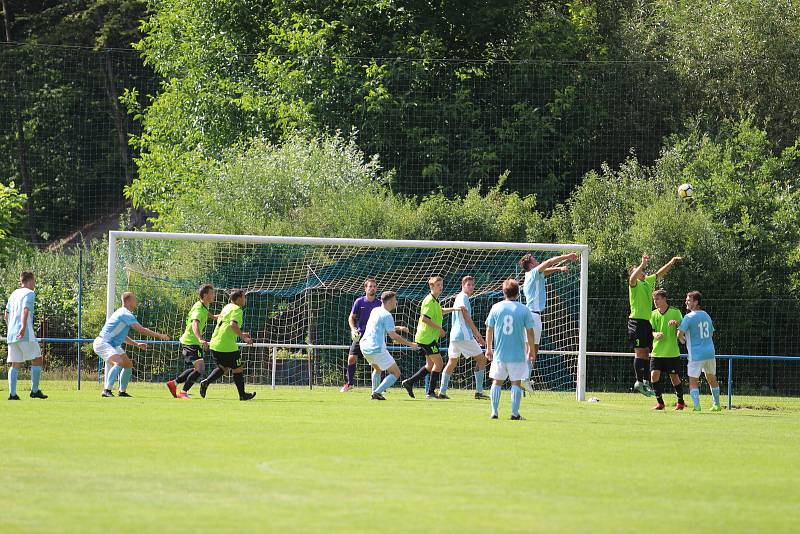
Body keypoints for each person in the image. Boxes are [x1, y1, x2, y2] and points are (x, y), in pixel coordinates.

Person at [519, 252, 579, 393]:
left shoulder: (532, 275)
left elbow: (546, 271)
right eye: (534, 260)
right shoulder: (533, 273)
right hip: (533, 316)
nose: (537, 261)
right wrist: (567, 256)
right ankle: (524, 378)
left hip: (529, 315)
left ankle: (523, 377)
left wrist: (559, 269)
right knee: (533, 350)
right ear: (531, 265)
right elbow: (549, 261)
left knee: (529, 350)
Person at [93, 292, 170, 398]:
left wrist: (136, 344)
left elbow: (123, 337)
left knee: (128, 365)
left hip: (112, 344)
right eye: (134, 300)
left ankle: (122, 392)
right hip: (103, 343)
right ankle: (106, 390)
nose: (136, 302)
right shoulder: (125, 314)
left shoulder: (122, 313)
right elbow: (141, 330)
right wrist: (160, 336)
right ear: (128, 301)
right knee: (118, 362)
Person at [627, 254, 682, 396]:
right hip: (636, 322)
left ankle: (645, 382)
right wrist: (642, 264)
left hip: (646, 322)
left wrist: (671, 262)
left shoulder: (648, 282)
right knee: (639, 352)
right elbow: (633, 277)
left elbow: (660, 273)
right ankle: (638, 382)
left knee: (646, 352)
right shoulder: (634, 284)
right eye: (639, 271)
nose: (642, 272)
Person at [401, 276, 461, 399]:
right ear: (431, 287)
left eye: (441, 285)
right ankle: (430, 393)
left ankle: (409, 382)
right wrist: (439, 328)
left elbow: (440, 311)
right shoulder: (429, 300)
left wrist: (454, 309)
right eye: (438, 285)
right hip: (426, 338)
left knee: (430, 365)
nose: (440, 287)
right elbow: (424, 318)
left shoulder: (435, 301)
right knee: (439, 363)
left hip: (428, 338)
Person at [485, 278, 536, 420]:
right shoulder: (524, 309)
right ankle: (514, 413)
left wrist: (489, 348)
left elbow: (489, 329)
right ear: (518, 293)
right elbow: (530, 332)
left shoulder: (496, 307)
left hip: (500, 354)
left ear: (504, 292)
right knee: (516, 383)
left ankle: (494, 412)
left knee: (497, 382)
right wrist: (531, 349)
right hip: (517, 354)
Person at [199, 289, 256, 401]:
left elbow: (226, 325)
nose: (245, 299)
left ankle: (206, 382)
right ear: (238, 298)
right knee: (237, 368)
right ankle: (242, 395)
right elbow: (233, 325)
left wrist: (240, 333)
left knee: (223, 367)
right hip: (226, 345)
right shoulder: (237, 309)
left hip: (215, 342)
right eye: (244, 297)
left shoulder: (227, 307)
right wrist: (244, 337)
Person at [359, 291, 417, 400]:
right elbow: (393, 336)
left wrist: (399, 328)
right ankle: (377, 392)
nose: (396, 302)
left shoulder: (375, 310)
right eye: (395, 300)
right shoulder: (387, 315)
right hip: (376, 348)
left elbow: (380, 326)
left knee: (377, 369)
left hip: (364, 346)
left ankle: (375, 393)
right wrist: (411, 344)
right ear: (390, 301)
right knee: (396, 373)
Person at [166, 283, 217, 399]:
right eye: (211, 293)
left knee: (196, 368)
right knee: (200, 368)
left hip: (192, 342)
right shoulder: (199, 308)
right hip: (191, 341)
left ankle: (173, 383)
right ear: (205, 295)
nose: (214, 295)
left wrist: (216, 317)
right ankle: (183, 392)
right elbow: (195, 323)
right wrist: (200, 338)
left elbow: (208, 314)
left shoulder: (202, 306)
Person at [440, 276, 487, 399]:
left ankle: (442, 392)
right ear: (463, 285)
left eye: (472, 285)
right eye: (469, 285)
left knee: (452, 362)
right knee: (482, 359)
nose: (471, 287)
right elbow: (465, 315)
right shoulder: (463, 297)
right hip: (464, 335)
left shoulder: (459, 297)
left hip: (455, 336)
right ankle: (479, 392)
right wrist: (478, 335)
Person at [5, 271, 46, 400]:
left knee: (15, 363)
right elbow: (26, 310)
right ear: (30, 280)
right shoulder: (29, 293)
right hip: (25, 333)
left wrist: (10, 327)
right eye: (34, 281)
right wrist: (22, 327)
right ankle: (34, 391)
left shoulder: (13, 294)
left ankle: (12, 394)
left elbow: (6, 314)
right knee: (37, 359)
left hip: (11, 334)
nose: (34, 284)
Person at [678, 291, 721, 412]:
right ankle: (717, 405)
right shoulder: (706, 315)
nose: (686, 301)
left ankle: (697, 406)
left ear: (696, 302)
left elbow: (679, 334)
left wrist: (683, 340)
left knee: (693, 381)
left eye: (689, 300)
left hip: (696, 354)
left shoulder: (689, 317)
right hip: (710, 352)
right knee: (712, 378)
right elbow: (711, 333)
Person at [341, 278, 382, 392]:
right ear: (365, 288)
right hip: (360, 336)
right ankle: (349, 384)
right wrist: (353, 329)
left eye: (374, 286)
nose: (372, 288)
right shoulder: (359, 302)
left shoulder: (379, 304)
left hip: (374, 337)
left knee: (377, 362)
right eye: (370, 286)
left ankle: (380, 388)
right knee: (351, 358)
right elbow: (351, 317)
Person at [649, 289, 686, 410]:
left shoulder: (675, 312)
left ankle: (680, 402)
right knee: (654, 375)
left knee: (674, 378)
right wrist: (655, 335)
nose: (655, 302)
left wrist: (676, 324)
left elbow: (683, 329)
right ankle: (660, 403)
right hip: (657, 352)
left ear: (665, 299)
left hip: (671, 352)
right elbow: (650, 331)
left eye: (658, 299)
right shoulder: (653, 314)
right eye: (654, 299)